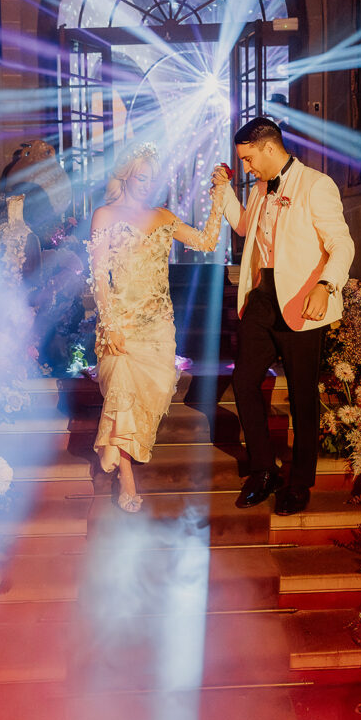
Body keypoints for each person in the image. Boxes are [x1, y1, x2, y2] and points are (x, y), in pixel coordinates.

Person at [212, 117, 354, 516]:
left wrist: (326, 285)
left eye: (249, 159)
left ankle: (299, 481)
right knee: (243, 381)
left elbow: (341, 243)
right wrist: (223, 193)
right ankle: (263, 470)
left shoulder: (316, 184)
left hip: (303, 298)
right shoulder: (259, 187)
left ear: (270, 148)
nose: (247, 167)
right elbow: (244, 226)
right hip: (262, 296)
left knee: (303, 395)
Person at [88, 142, 226, 512]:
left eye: (153, 177)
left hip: (158, 326)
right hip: (121, 323)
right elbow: (99, 276)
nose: (147, 183)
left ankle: (121, 451)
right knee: (121, 389)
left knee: (153, 394)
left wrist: (220, 197)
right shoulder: (105, 214)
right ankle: (127, 478)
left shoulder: (164, 216)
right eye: (141, 176)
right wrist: (110, 324)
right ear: (127, 175)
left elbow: (207, 242)